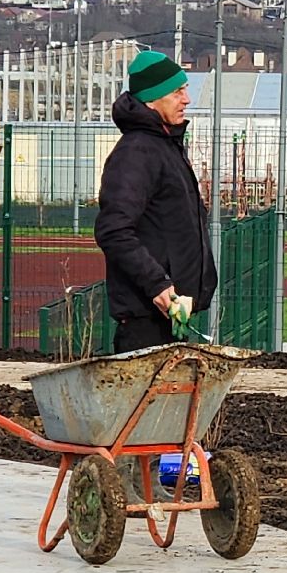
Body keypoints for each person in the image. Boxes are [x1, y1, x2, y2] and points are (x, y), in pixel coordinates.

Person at [94, 50, 217, 354]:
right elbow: (113, 230)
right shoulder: (136, 153)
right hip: (145, 323)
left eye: (185, 89)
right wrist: (158, 285)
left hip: (169, 316)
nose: (186, 99)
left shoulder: (166, 146)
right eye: (177, 92)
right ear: (151, 100)